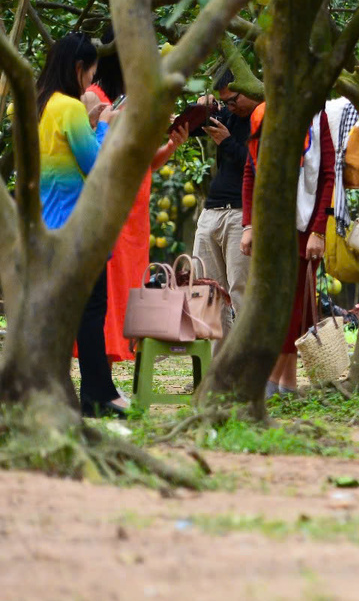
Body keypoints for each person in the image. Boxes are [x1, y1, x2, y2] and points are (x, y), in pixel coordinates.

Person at [86, 47, 189, 363]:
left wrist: (171, 143)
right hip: (112, 201)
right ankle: (106, 344)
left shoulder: (134, 96)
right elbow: (91, 152)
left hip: (138, 207)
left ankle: (127, 343)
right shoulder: (94, 96)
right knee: (109, 278)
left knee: (131, 276)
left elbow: (147, 161)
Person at [37, 35, 116, 416]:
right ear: (77, 69)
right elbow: (96, 165)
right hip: (78, 226)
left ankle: (66, 390)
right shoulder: (68, 108)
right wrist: (100, 124)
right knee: (90, 312)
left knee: (57, 312)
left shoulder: (35, 105)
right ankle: (97, 395)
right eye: (89, 75)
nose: (89, 84)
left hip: (45, 224)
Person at [240, 102, 334, 396]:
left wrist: (318, 229)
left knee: (294, 307)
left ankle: (272, 380)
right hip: (270, 227)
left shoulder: (318, 118)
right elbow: (250, 172)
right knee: (275, 306)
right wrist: (248, 225)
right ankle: (286, 382)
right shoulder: (263, 114)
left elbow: (329, 175)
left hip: (304, 229)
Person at [191, 68, 260, 330]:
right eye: (225, 101)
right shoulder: (229, 114)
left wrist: (227, 143)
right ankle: (220, 367)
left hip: (241, 214)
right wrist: (199, 106)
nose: (231, 106)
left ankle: (250, 363)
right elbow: (188, 123)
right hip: (211, 212)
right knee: (207, 292)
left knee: (241, 291)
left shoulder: (264, 117)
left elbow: (260, 166)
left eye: (235, 99)